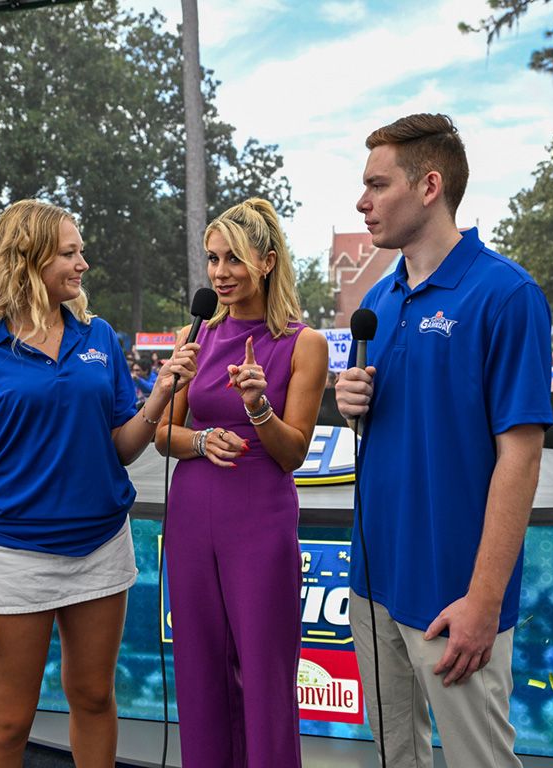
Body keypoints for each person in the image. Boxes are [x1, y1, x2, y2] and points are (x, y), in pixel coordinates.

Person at [0, 199, 198, 768]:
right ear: (29, 260)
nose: (83, 264)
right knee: (7, 720)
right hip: (14, 560)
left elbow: (122, 446)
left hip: (102, 549)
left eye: (81, 252)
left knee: (95, 697)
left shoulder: (98, 336)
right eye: (71, 253)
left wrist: (161, 395)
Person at [336, 114, 552, 768]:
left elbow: (521, 455)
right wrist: (352, 405)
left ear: (429, 185)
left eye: (377, 184)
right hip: (373, 586)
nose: (362, 201)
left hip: (455, 599)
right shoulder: (380, 296)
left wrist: (483, 602)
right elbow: (402, 430)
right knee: (392, 758)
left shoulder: (506, 295)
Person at [156, 198, 328, 768]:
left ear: (268, 261)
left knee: (264, 673)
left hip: (260, 520)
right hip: (190, 515)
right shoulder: (195, 333)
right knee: (200, 672)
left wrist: (257, 407)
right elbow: (164, 435)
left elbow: (293, 452)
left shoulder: (305, 344)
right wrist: (201, 442)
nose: (220, 273)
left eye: (234, 258)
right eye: (212, 259)